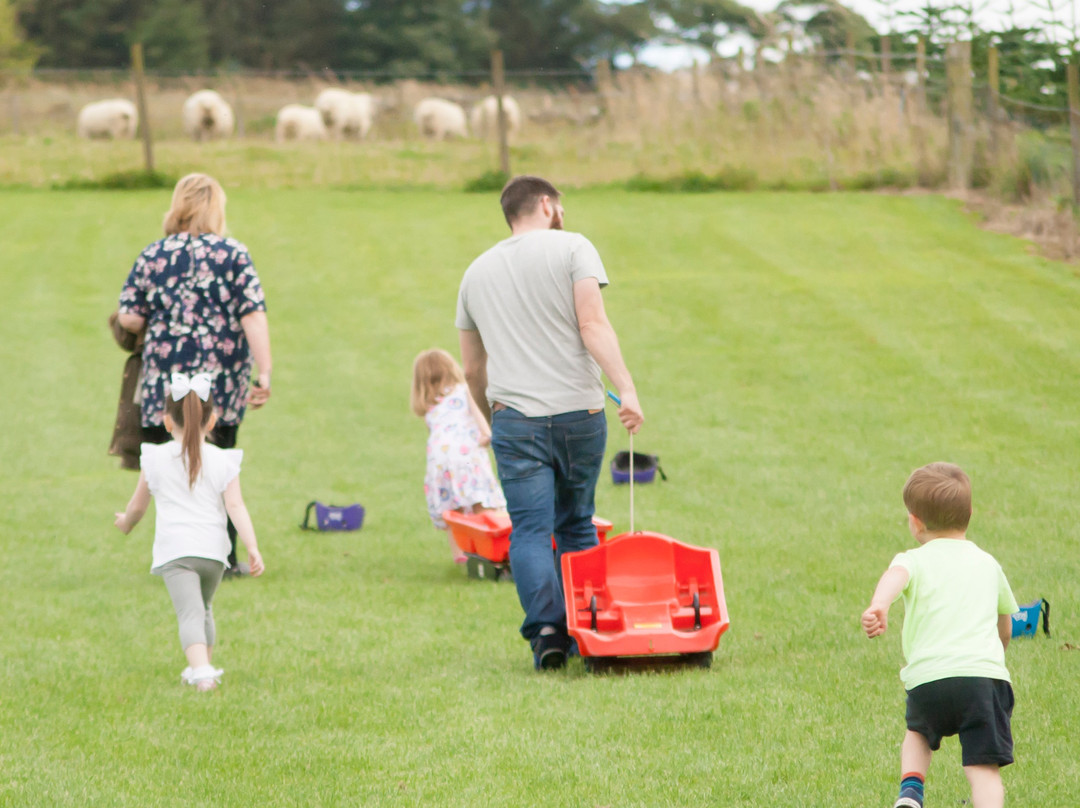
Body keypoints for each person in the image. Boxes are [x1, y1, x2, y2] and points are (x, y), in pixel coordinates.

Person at [456, 175, 644, 671]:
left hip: (515, 419)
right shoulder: (574, 248)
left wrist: (489, 412)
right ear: (546, 204)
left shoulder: (475, 273)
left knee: (531, 531)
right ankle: (591, 629)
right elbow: (593, 324)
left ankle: (546, 632)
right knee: (577, 525)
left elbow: (472, 367)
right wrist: (625, 387)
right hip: (580, 413)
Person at [116, 173, 271, 577]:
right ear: (216, 208)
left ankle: (174, 556)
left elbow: (130, 315)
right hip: (221, 384)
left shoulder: (154, 254)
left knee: (167, 473)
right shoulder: (234, 254)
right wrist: (265, 372)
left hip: (164, 385)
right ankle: (225, 557)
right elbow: (252, 314)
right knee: (218, 472)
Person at [862, 462, 1018, 808]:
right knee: (983, 768)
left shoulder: (913, 559)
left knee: (918, 732)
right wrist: (998, 651)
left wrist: (879, 604)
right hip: (982, 679)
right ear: (971, 513)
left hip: (929, 679)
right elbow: (1004, 623)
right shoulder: (988, 563)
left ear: (914, 521)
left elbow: (895, 575)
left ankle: (911, 791)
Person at [114, 372, 265, 691]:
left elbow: (138, 507)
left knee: (189, 613)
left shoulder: (155, 457)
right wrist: (252, 548)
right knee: (203, 608)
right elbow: (236, 508)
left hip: (177, 552)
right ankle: (202, 666)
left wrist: (126, 522)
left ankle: (203, 674)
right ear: (212, 422)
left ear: (167, 422)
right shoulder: (224, 460)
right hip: (214, 552)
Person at [411, 349, 507, 563]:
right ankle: (492, 549)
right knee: (481, 502)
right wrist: (486, 433)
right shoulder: (464, 391)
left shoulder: (430, 405)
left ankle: (460, 555)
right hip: (467, 455)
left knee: (453, 511)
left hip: (439, 461)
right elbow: (477, 414)